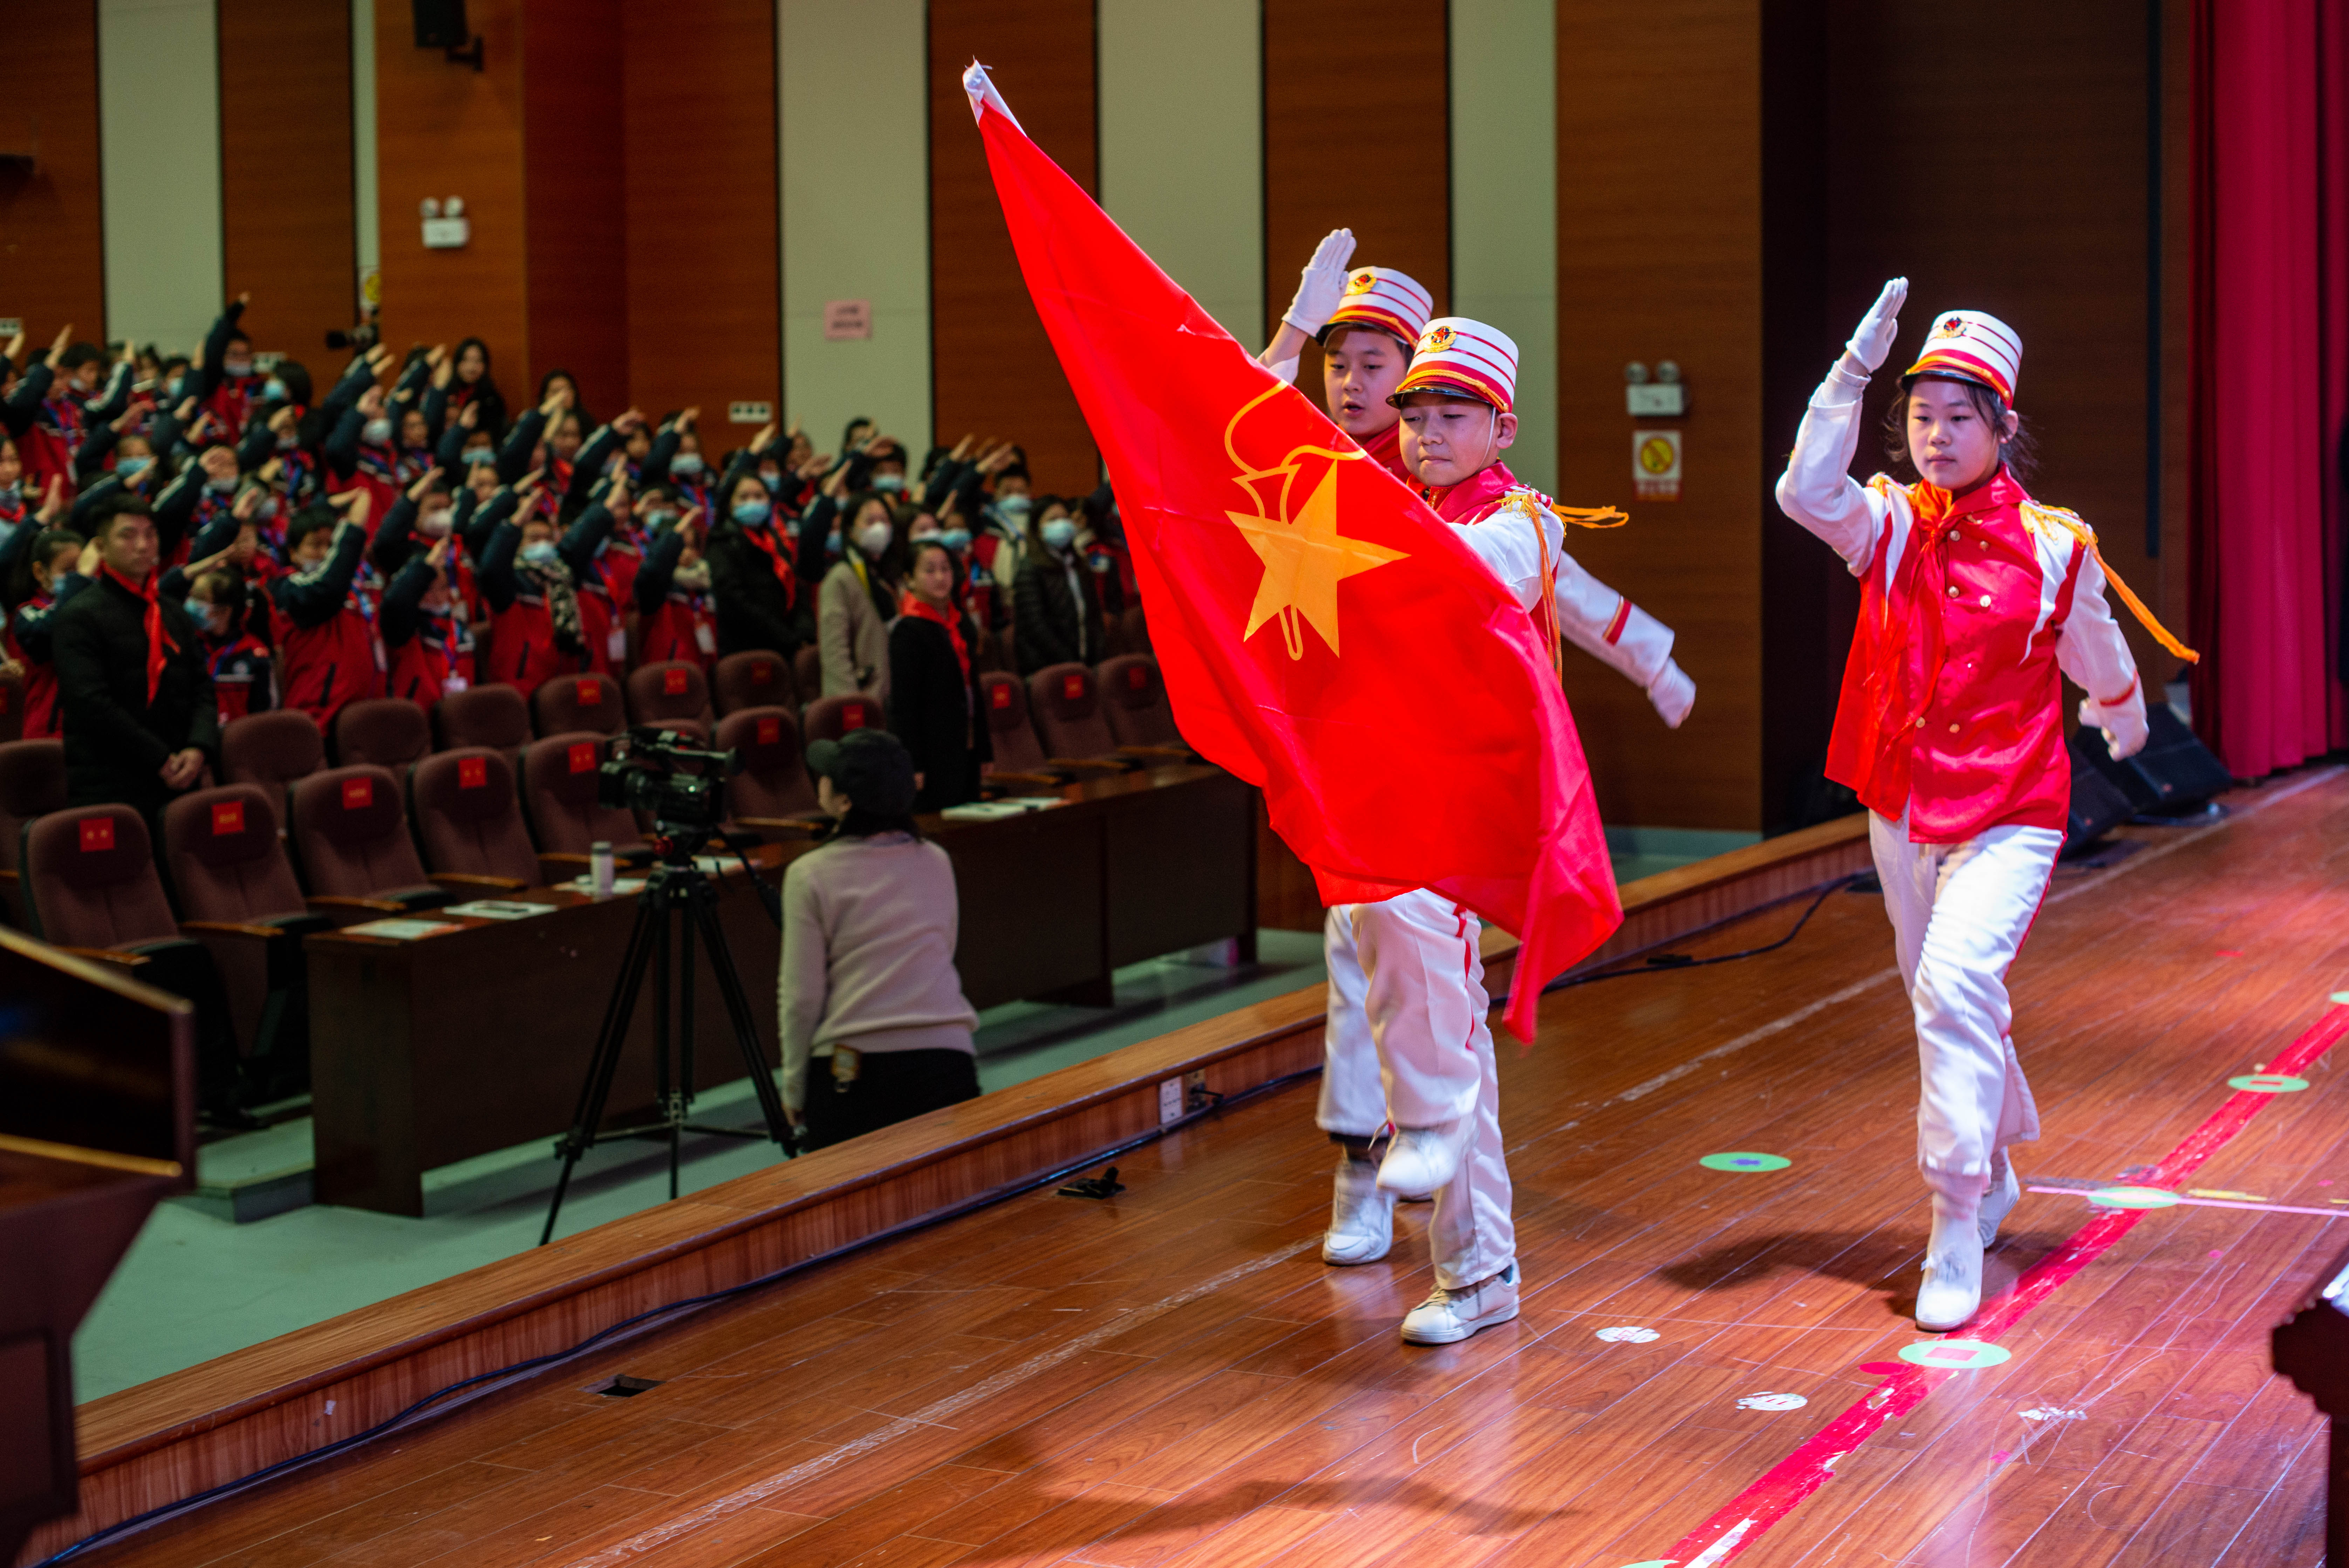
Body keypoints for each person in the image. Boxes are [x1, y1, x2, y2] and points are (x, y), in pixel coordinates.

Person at [1775, 282, 2173, 1331]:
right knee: (1947, 998)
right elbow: (1800, 491)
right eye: (1921, 416)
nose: (1936, 435)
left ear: (2001, 427)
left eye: (1959, 416)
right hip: (1901, 804)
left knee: (1952, 984)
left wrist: (2121, 717)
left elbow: (2094, 648)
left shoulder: (2053, 543)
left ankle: (1952, 1218)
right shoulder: (1885, 525)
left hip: (2012, 807)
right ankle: (1992, 1163)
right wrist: (1850, 371)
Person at [1322, 316, 1697, 1347]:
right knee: (1410, 1005)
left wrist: (1655, 664)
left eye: (1453, 415)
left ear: (1502, 428)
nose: (1426, 432)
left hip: (1471, 811)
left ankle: (1465, 1237)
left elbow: (1454, 573)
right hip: (1396, 796)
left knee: (1433, 1019)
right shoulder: (1402, 504)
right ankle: (1467, 1252)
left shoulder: (1520, 522)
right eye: (1414, 415)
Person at [778, 728, 982, 1150]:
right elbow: (943, 948)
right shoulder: (935, 859)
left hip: (854, 1071)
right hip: (947, 1060)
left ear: (844, 800)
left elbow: (801, 996)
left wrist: (794, 1088)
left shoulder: (809, 873)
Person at [50, 497, 219, 820]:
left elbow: (201, 688)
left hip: (181, 774)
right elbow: (91, 704)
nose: (143, 546)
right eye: (128, 535)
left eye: (150, 534)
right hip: (111, 783)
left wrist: (198, 747)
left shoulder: (173, 613)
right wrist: (160, 759)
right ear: (101, 547)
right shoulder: (79, 617)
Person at [1259, 229, 1432, 482]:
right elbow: (1243, 420)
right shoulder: (1308, 452)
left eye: (1372, 366)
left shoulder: (1434, 468)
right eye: (1338, 366)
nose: (1351, 383)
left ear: (1412, 375)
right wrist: (1297, 325)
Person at [889, 538, 991, 811]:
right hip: (933, 750)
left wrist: (984, 748)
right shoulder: (908, 632)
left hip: (967, 743)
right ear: (909, 579)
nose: (940, 577)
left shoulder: (960, 622)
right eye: (930, 570)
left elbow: (973, 689)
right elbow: (905, 706)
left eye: (945, 569)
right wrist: (914, 764)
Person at [818, 492, 903, 698]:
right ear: (850, 529)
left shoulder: (892, 575)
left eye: (885, 521)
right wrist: (851, 704)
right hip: (867, 696)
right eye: (870, 521)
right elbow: (835, 653)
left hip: (899, 693)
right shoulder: (840, 578)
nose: (880, 528)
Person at [1011, 500, 1105, 674]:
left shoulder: (1078, 564)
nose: (1061, 524)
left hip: (1087, 662)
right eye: (1053, 520)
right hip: (1047, 668)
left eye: (1065, 518)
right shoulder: (1029, 569)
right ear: (1038, 529)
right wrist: (1070, 661)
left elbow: (1094, 615)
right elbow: (1036, 626)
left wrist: (1096, 656)